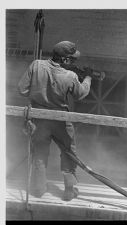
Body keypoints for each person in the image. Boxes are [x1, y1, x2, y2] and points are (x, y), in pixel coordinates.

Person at [18, 41, 93, 201]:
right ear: (65, 60)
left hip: (39, 120)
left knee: (39, 153)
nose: (73, 63)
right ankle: (68, 191)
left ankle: (38, 189)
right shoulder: (70, 76)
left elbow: (22, 89)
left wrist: (40, 90)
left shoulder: (36, 65)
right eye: (72, 60)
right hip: (61, 121)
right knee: (68, 153)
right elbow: (80, 94)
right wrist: (87, 78)